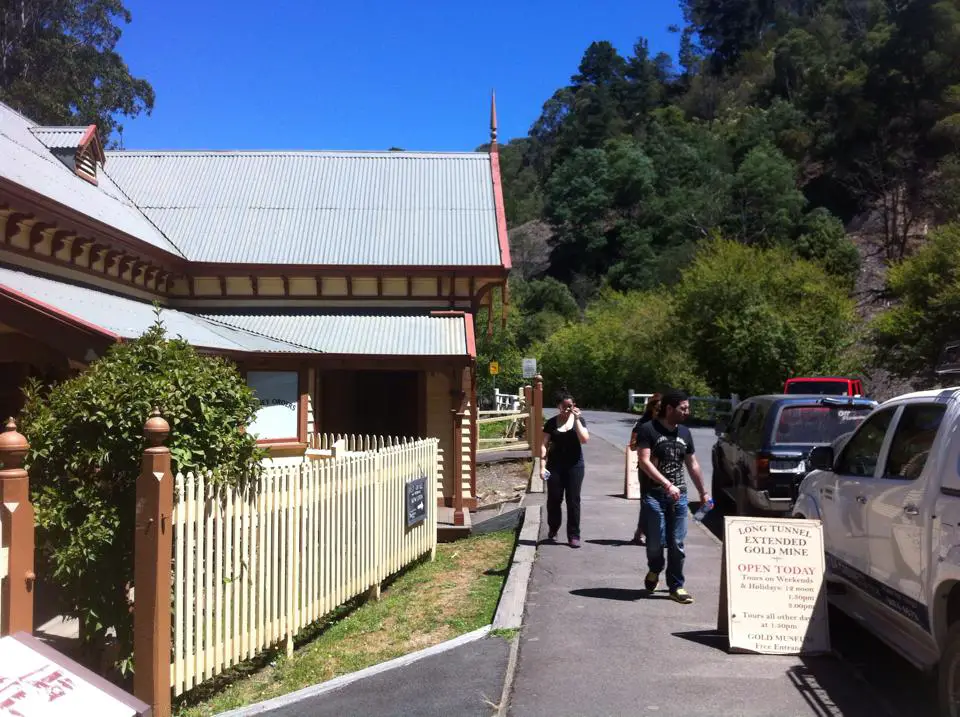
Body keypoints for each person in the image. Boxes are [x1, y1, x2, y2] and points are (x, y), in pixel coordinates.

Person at [636, 390, 710, 604]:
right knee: (655, 543)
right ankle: (655, 568)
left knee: (677, 542)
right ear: (669, 409)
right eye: (683, 408)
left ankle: (676, 586)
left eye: (688, 408)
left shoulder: (685, 433)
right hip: (654, 495)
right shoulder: (648, 430)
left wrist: (703, 492)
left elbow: (692, 464)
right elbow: (644, 461)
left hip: (680, 497)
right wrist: (667, 484)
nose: (687, 412)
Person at [540, 390, 590, 548]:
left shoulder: (579, 420)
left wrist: (576, 420)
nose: (568, 408)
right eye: (565, 406)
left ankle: (574, 535)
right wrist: (542, 466)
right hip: (555, 466)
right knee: (554, 500)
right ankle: (553, 528)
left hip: (575, 466)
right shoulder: (552, 422)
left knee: (573, 500)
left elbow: (584, 439)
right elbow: (543, 444)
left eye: (571, 405)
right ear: (559, 406)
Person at [629, 393, 661, 546]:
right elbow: (633, 445)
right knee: (647, 501)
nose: (659, 411)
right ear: (651, 408)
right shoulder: (642, 423)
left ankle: (645, 533)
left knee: (663, 502)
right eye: (656, 408)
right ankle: (642, 533)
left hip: (665, 468)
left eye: (662, 408)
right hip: (646, 469)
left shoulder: (667, 423)